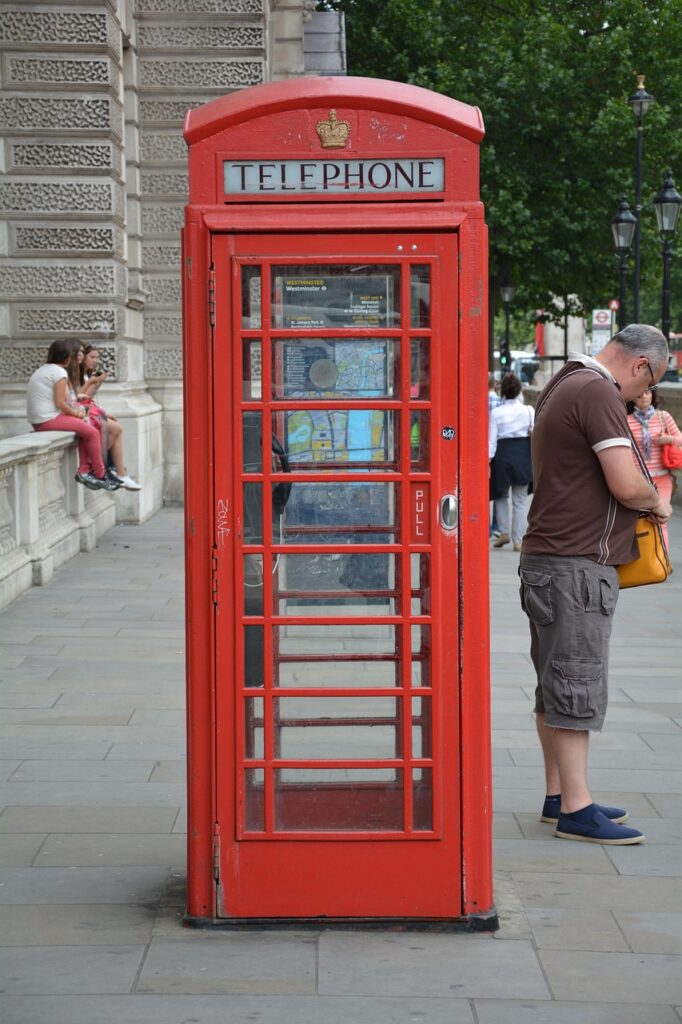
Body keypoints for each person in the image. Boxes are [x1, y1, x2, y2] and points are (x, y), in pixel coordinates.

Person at [520, 324, 672, 846]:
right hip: (574, 564)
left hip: (549, 558)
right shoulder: (597, 391)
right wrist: (658, 501)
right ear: (641, 366)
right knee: (576, 681)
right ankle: (577, 811)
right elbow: (627, 482)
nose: (644, 394)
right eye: (651, 380)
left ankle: (558, 795)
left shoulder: (564, 382)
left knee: (553, 684)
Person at [26, 338, 119, 491]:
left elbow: (63, 400)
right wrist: (76, 414)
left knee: (84, 429)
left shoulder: (44, 369)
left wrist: (77, 407)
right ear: (67, 356)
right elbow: (60, 403)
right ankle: (101, 475)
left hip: (40, 419)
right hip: (47, 420)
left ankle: (84, 471)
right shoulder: (59, 372)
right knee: (92, 432)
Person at [77, 344, 141, 491]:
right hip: (81, 413)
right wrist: (92, 384)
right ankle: (104, 467)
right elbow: (79, 399)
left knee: (115, 425)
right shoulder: (78, 376)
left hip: (88, 411)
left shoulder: (87, 375)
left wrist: (96, 384)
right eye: (91, 357)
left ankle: (117, 471)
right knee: (115, 428)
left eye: (96, 357)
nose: (95, 360)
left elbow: (88, 399)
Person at [626, 386, 681, 547]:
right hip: (639, 480)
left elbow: (680, 438)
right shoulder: (626, 420)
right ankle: (644, 562)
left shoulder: (663, 417)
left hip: (662, 479)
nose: (644, 396)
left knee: (661, 520)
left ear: (653, 395)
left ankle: (662, 563)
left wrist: (669, 439)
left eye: (648, 392)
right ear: (633, 398)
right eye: (639, 394)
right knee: (638, 522)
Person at [489, 372, 534, 551]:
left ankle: (504, 532)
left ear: (503, 391)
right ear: (519, 391)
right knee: (520, 500)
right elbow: (536, 433)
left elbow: (491, 441)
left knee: (501, 495)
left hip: (502, 455)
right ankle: (518, 540)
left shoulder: (496, 412)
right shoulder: (528, 410)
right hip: (523, 454)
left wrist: (488, 462)